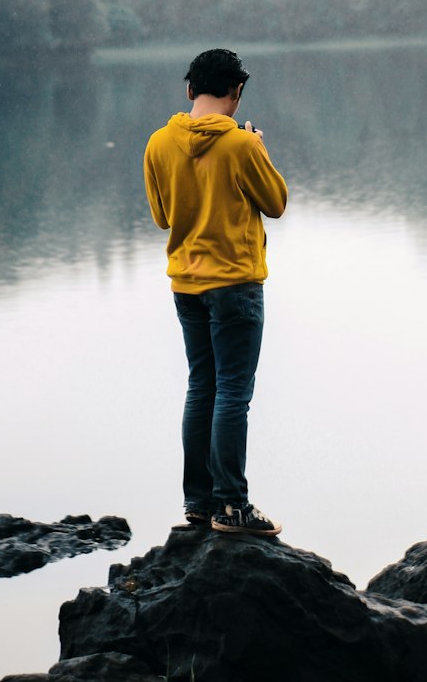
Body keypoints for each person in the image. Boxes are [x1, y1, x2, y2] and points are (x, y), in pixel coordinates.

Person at [143, 48, 288, 537]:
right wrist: (259, 149)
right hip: (235, 285)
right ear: (237, 92)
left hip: (186, 285)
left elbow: (164, 217)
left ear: (190, 89)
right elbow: (276, 203)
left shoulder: (158, 144)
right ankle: (233, 507)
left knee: (201, 386)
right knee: (232, 393)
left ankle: (199, 504)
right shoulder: (242, 146)